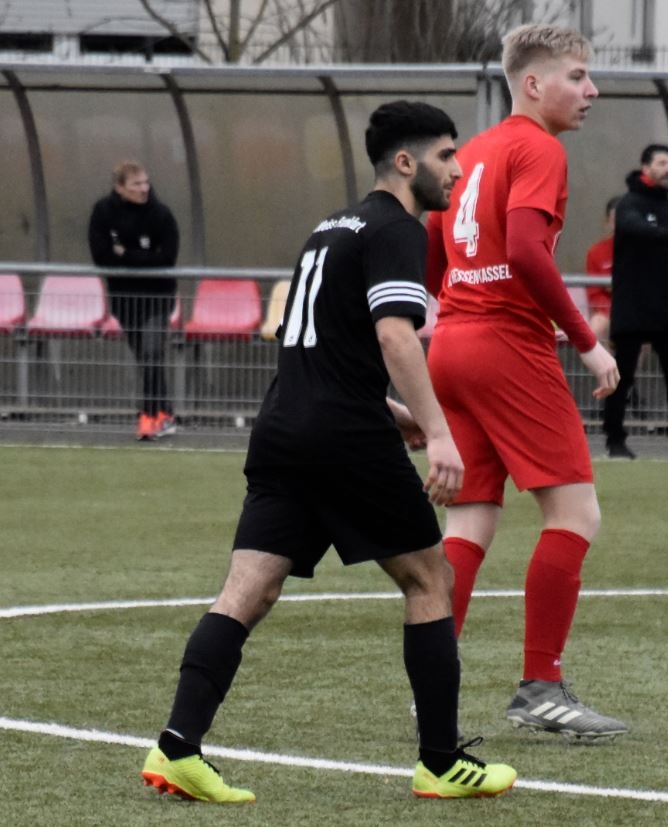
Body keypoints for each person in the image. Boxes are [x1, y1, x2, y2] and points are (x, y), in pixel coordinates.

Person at [140, 101, 516, 803]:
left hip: (285, 427)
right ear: (404, 162)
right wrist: (438, 431)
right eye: (445, 155)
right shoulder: (399, 229)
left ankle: (177, 746)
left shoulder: (330, 227)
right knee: (429, 580)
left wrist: (391, 410)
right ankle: (440, 763)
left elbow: (319, 344)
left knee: (247, 590)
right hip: (343, 439)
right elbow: (394, 337)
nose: (457, 169)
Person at [423, 23, 628, 742]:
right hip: (508, 344)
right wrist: (587, 342)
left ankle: (431, 686)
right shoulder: (538, 147)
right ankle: (541, 686)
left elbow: (432, 248)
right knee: (575, 514)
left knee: (470, 520)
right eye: (577, 76)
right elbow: (526, 251)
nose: (591, 90)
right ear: (533, 84)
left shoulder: (472, 152)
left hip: (454, 342)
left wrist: (450, 316)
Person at [602, 143, 668, 460]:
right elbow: (635, 228)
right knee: (622, 376)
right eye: (662, 163)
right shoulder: (629, 204)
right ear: (645, 166)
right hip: (633, 306)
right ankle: (615, 440)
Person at [88, 160, 180, 441]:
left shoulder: (161, 214)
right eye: (136, 184)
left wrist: (125, 254)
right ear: (120, 188)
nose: (143, 188)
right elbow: (101, 255)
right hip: (125, 300)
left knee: (152, 353)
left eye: (145, 182)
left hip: (157, 297)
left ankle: (148, 417)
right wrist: (141, 258)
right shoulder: (103, 212)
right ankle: (165, 413)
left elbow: (166, 258)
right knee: (147, 359)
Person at [584, 196, 621, 341]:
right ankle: (604, 359)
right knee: (595, 328)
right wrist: (611, 310)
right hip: (607, 309)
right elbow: (595, 293)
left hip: (639, 308)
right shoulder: (596, 252)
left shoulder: (645, 250)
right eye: (615, 220)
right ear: (607, 222)